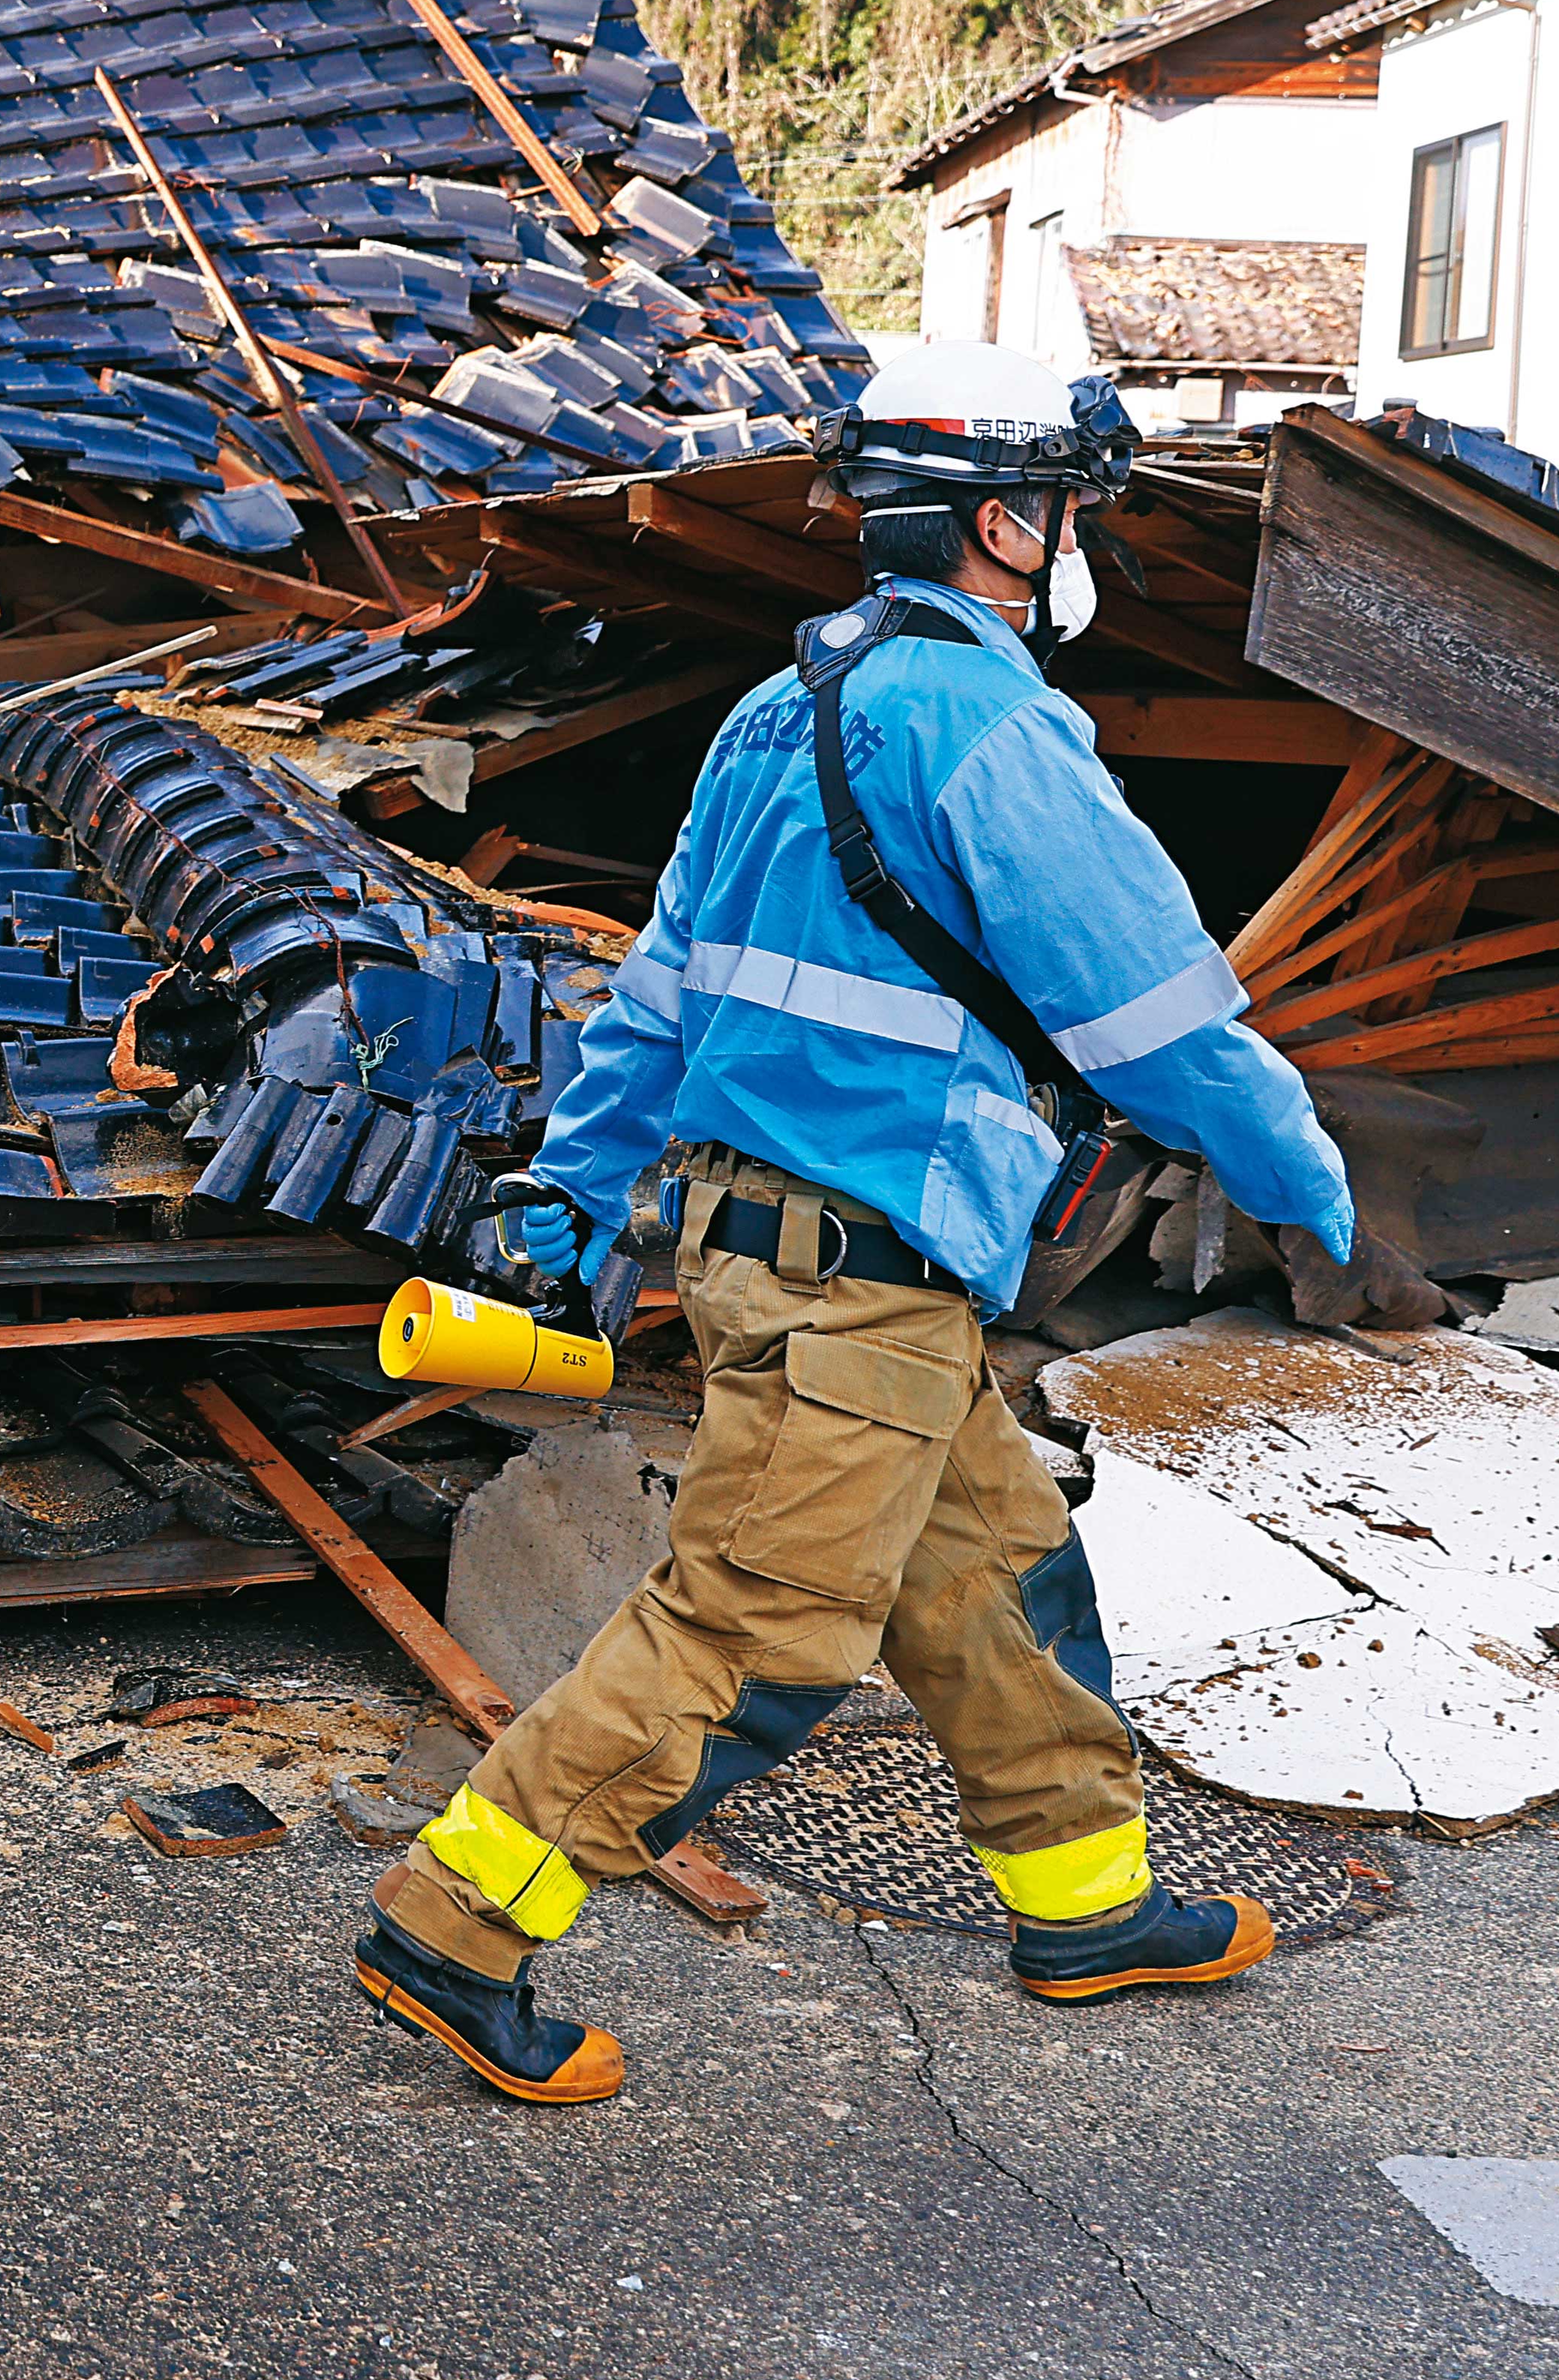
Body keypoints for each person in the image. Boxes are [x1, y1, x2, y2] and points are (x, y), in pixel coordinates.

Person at [351, 347, 1447, 2106]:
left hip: (782, 1253)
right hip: (854, 1272)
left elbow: (658, 992)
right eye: (1068, 507)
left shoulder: (771, 711)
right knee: (751, 1631)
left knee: (995, 1567)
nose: (1075, 538)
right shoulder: (998, 727)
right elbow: (1166, 1026)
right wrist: (1318, 1204)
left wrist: (571, 1182)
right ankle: (457, 1925)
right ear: (1009, 519)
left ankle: (1081, 1902)